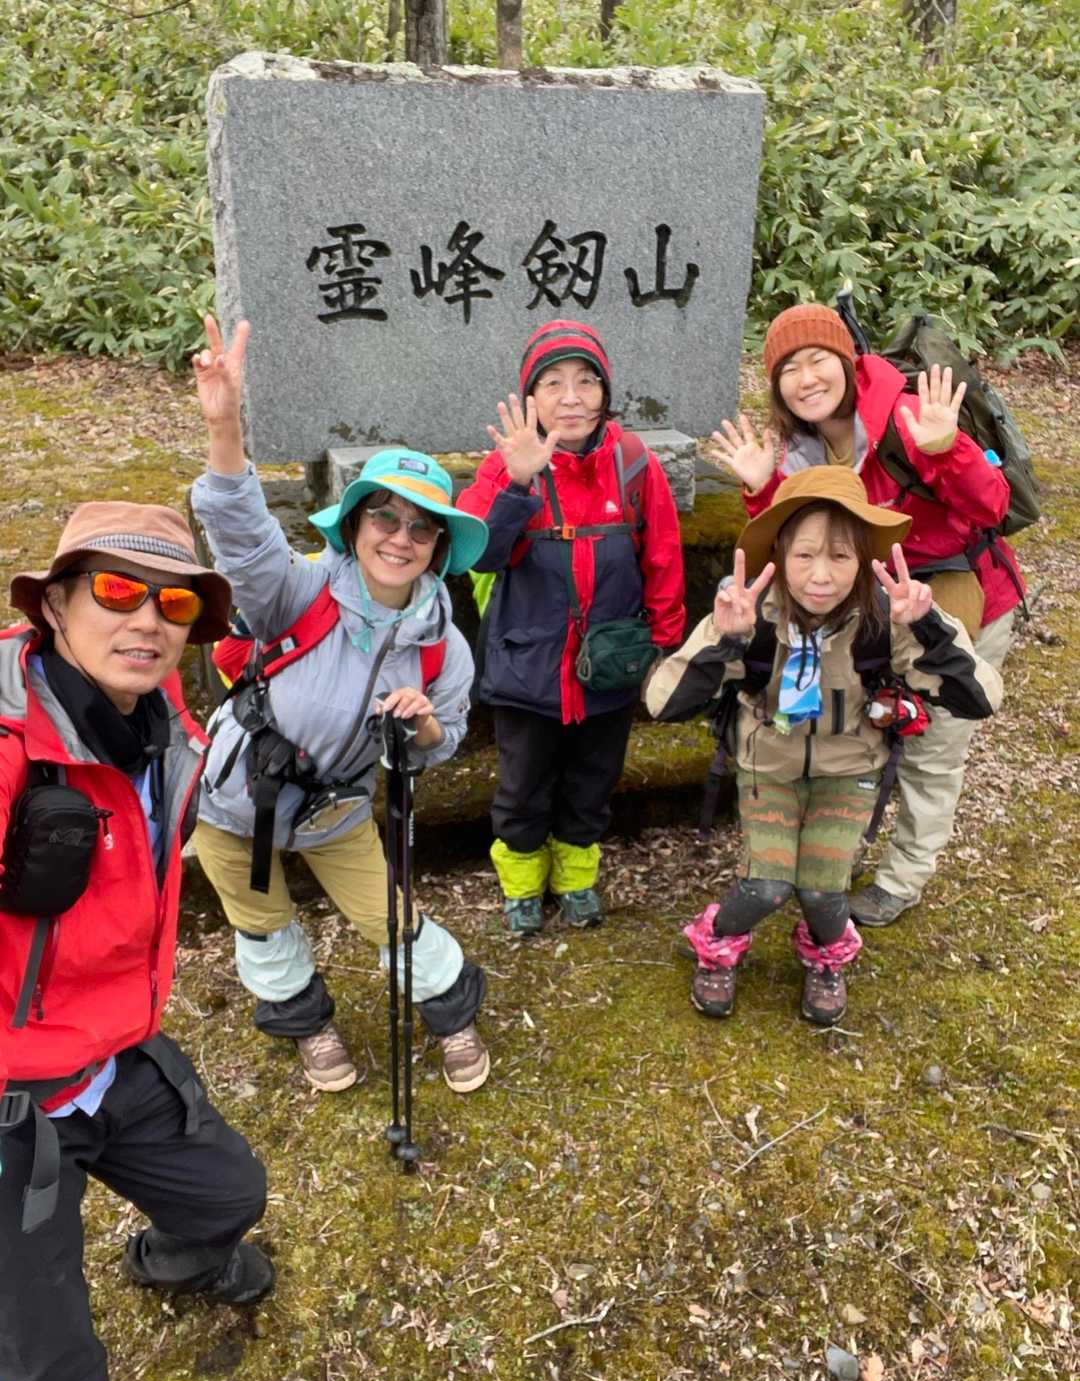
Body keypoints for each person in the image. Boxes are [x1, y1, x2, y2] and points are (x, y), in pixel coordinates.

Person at [0, 502, 272, 1381]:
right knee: (48, 1352)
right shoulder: (10, 743)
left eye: (175, 603)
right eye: (118, 590)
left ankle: (177, 1262)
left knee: (231, 1193)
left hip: (112, 1048)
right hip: (11, 1092)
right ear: (55, 605)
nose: (148, 620)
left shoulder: (161, 725)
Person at [189, 316, 492, 1095]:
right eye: (384, 516)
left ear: (440, 547)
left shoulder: (442, 647)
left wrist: (424, 724)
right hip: (237, 793)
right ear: (354, 523)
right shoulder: (299, 589)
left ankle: (452, 1014)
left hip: (338, 807)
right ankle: (308, 1026)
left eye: (422, 527)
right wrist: (225, 430)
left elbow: (442, 741)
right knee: (261, 922)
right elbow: (243, 539)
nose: (400, 537)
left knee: (390, 916)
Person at [645, 467, 1003, 1024]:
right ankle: (716, 945)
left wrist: (929, 626)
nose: (820, 576)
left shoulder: (886, 618)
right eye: (804, 555)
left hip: (850, 768)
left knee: (821, 893)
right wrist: (725, 639)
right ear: (779, 556)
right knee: (766, 887)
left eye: (840, 556)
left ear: (863, 560)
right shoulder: (753, 615)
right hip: (768, 766)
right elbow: (663, 703)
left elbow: (979, 698)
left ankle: (826, 959)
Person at [711, 303, 1026, 925]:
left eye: (818, 360)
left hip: (956, 602)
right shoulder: (799, 449)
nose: (807, 379)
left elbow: (993, 507)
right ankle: (847, 847)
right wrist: (762, 490)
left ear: (848, 361)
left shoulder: (906, 414)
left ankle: (902, 878)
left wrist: (945, 450)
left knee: (933, 750)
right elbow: (801, 542)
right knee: (868, 730)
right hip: (870, 615)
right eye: (789, 369)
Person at [457, 319, 686, 934]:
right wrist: (519, 482)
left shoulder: (633, 464)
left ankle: (577, 878)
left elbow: (663, 555)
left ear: (606, 392)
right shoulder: (506, 464)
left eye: (586, 381)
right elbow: (478, 553)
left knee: (593, 781)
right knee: (522, 786)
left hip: (609, 664)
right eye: (553, 383)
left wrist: (663, 642)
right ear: (530, 397)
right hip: (527, 664)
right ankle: (521, 886)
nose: (571, 398)